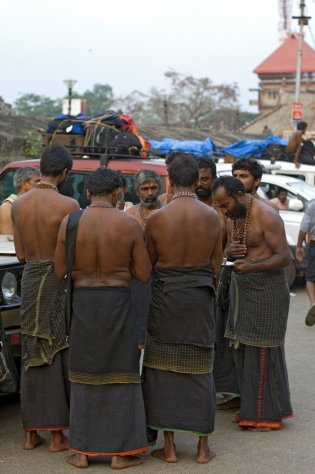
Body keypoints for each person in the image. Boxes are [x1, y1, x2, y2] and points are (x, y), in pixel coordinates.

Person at [55, 168, 152, 469]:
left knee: (83, 375)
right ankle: (121, 455)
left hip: (84, 304)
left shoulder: (69, 223)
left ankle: (82, 452)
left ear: (86, 193)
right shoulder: (129, 224)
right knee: (121, 374)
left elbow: (60, 272)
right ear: (117, 193)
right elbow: (143, 273)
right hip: (118, 303)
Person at [142, 155, 222, 463]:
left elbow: (147, 266)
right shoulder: (212, 216)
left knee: (162, 371)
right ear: (198, 180)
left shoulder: (157, 218)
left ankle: (171, 448)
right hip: (200, 298)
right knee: (202, 370)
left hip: (166, 300)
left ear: (170, 181)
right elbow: (216, 266)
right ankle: (203, 448)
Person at [11, 145, 80, 451]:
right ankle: (55, 436)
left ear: (40, 167)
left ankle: (30, 433)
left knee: (31, 348)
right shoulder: (69, 205)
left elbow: (21, 254)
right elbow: (72, 255)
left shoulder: (18, 204)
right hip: (56, 279)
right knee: (56, 348)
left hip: (30, 280)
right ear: (64, 173)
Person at [212, 176, 294, 431]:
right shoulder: (232, 216)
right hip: (241, 289)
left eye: (225, 205)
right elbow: (225, 250)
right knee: (242, 350)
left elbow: (284, 257)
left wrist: (253, 266)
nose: (223, 211)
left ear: (239, 195)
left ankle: (265, 415)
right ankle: (250, 409)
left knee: (262, 352)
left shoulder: (266, 215)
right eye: (219, 206)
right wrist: (229, 253)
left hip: (267, 292)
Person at [195, 156, 239, 409]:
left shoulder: (220, 209)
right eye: (198, 178)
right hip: (192, 282)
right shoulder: (180, 206)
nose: (201, 183)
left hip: (218, 280)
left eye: (206, 179)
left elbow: (227, 246)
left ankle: (224, 389)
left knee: (220, 336)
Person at [0, 167, 40, 235]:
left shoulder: (37, 204)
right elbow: (6, 242)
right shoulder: (7, 208)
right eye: (37, 181)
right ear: (24, 184)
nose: (41, 184)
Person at [296, 199, 315, 326]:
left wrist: (298, 246)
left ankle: (313, 303)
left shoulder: (313, 205)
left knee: (310, 277)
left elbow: (304, 227)